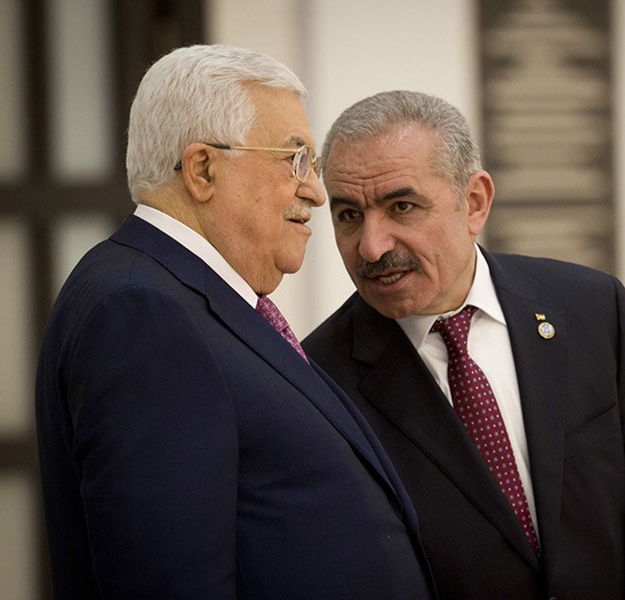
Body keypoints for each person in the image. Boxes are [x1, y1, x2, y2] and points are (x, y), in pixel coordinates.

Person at [35, 46, 435, 599]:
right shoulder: (142, 313)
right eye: (294, 159)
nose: (316, 192)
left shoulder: (175, 295)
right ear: (202, 170)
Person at [302, 90, 625, 599]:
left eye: (401, 206)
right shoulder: (318, 382)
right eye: (349, 216)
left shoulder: (592, 310)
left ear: (474, 202)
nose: (372, 246)